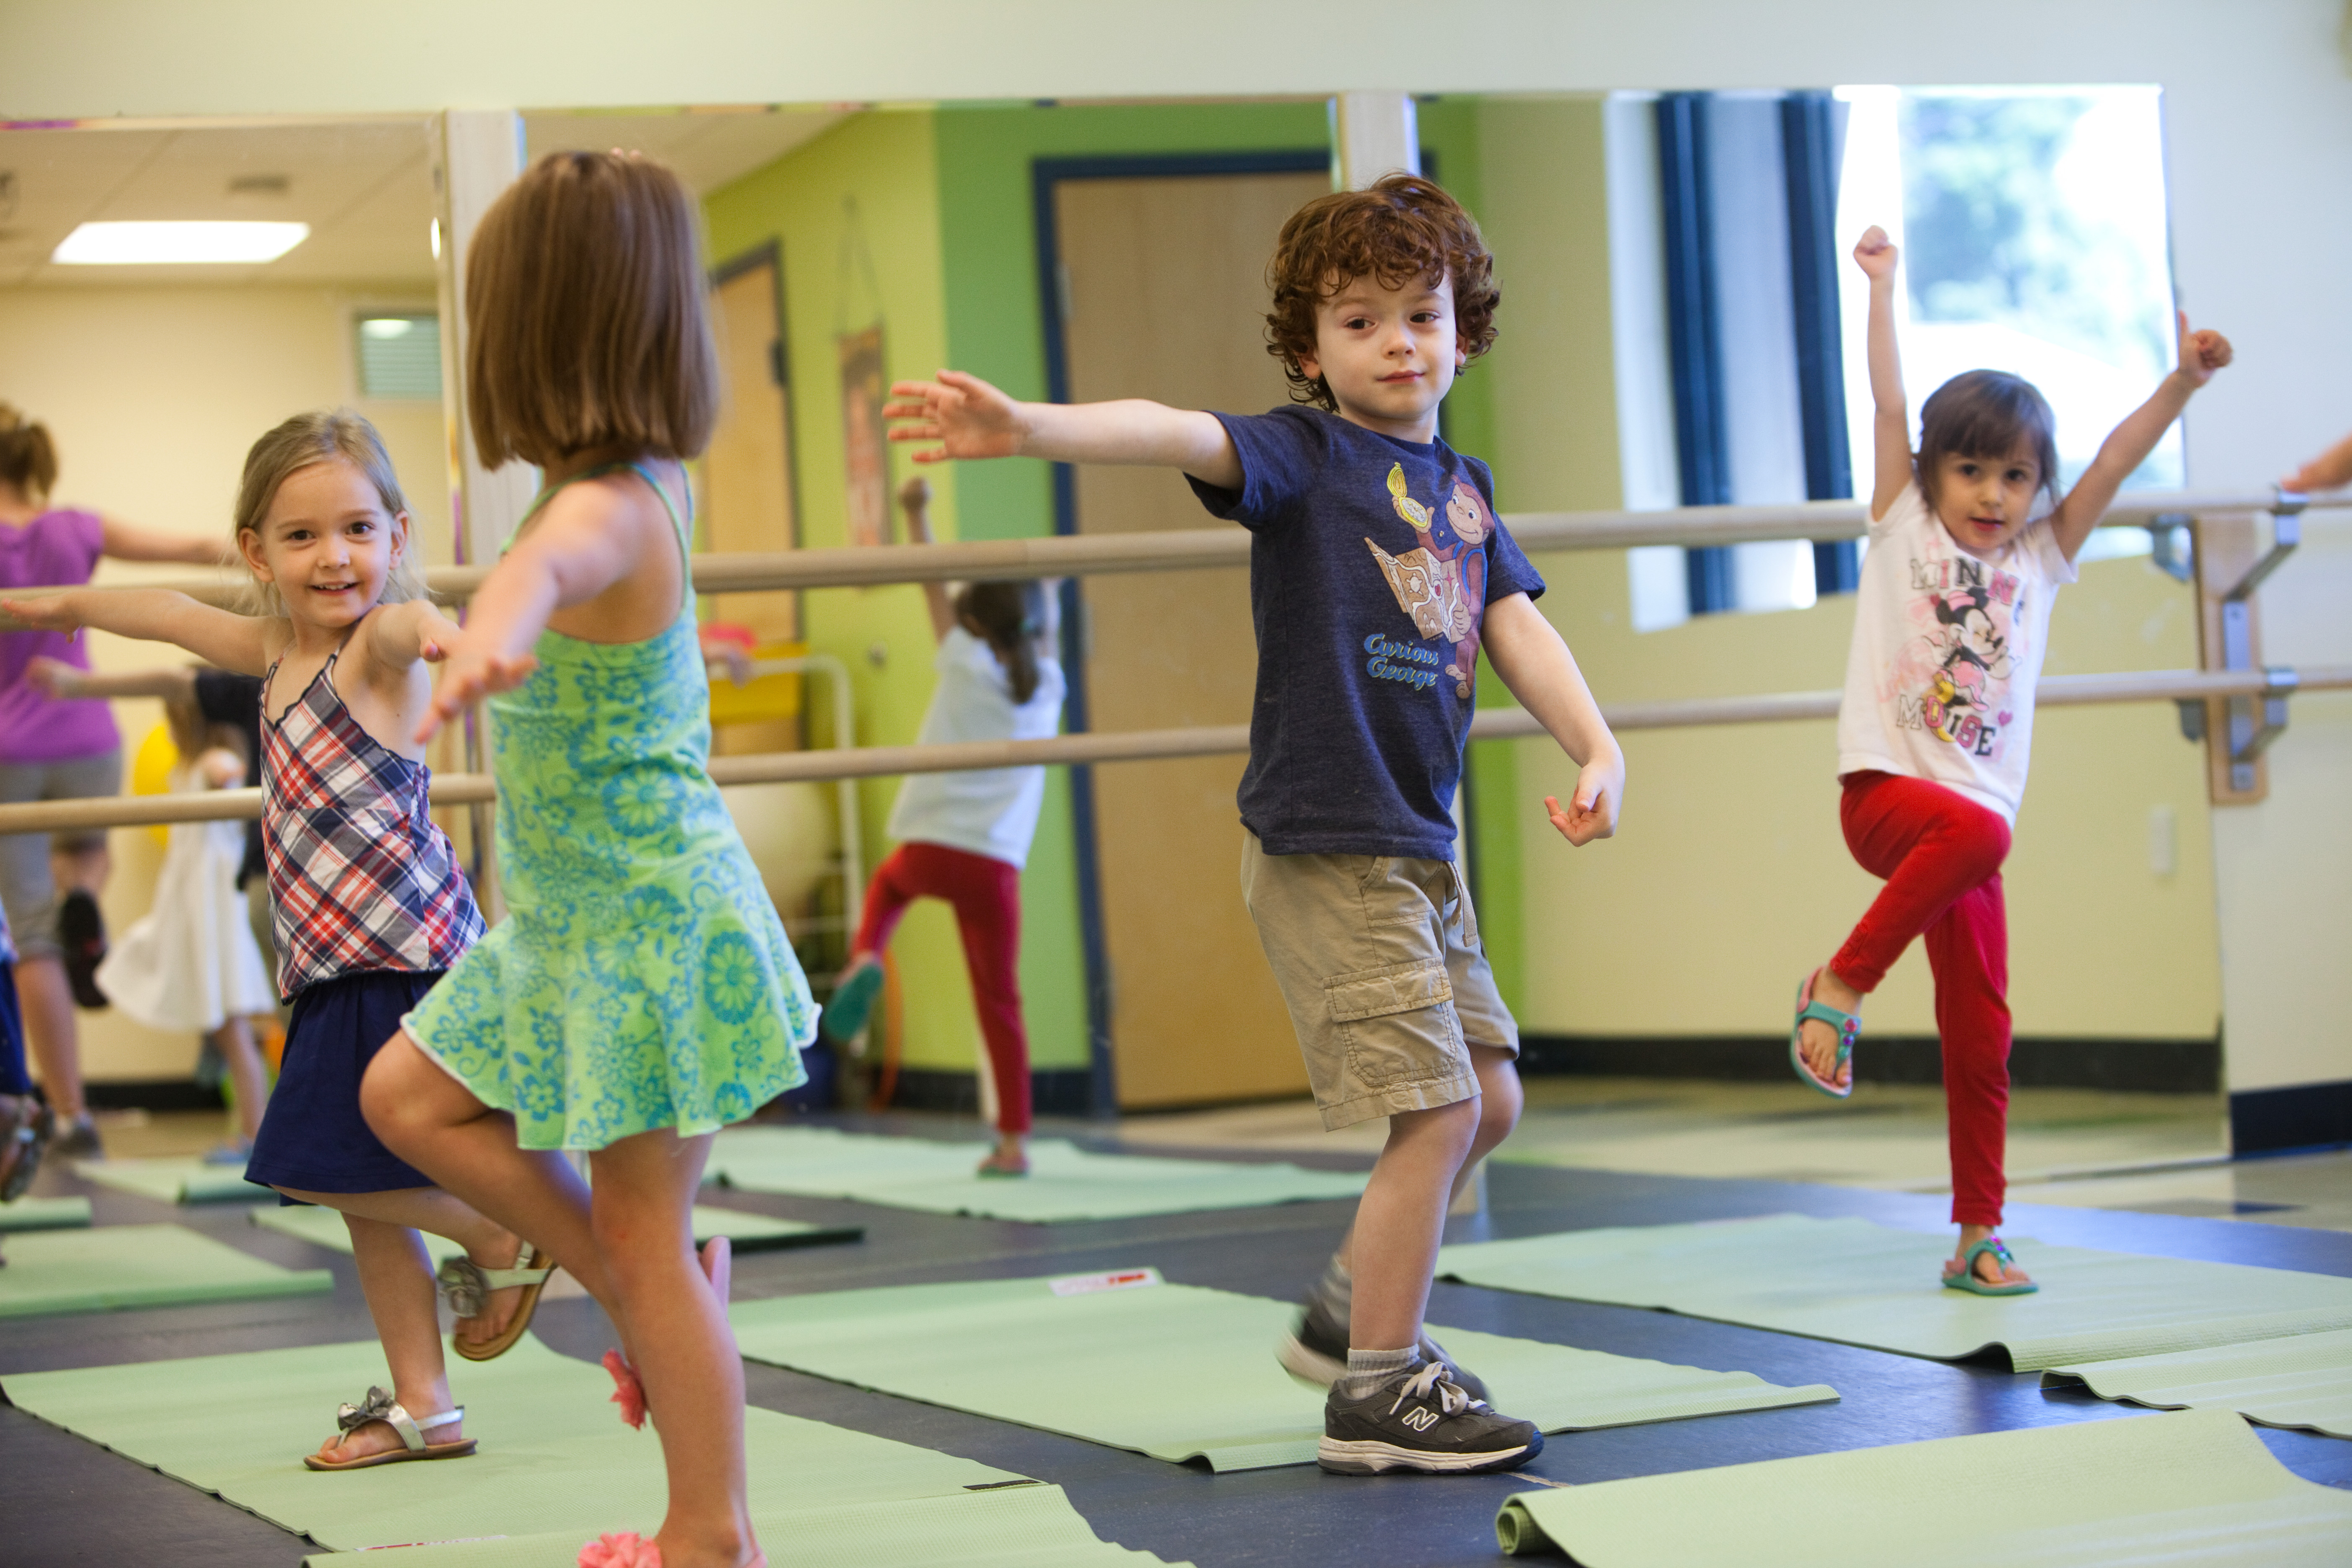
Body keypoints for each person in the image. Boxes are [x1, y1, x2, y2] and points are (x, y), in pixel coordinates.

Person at [885, 173, 1624, 1478]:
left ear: (1464, 329)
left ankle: (1353, 1307)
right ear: (1308, 351)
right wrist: (1028, 428)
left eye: (1422, 314)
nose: (1398, 342)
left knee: (1490, 1098)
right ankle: (1378, 1393)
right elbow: (1174, 430)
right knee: (1437, 1114)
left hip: (1418, 843)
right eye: (1359, 321)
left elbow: (1514, 620)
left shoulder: (1461, 484)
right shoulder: (1307, 455)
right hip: (1327, 845)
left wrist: (1596, 741)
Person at [359, 150, 815, 1568]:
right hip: (575, 917)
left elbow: (546, 573)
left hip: (647, 922)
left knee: (640, 1235)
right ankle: (639, 1279)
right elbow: (537, 586)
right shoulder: (628, 488)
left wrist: (493, 631)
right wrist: (463, 631)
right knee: (405, 1096)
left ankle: (706, 1533)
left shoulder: (598, 510)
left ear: (530, 335)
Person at [2, 409, 549, 1470]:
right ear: (255, 551)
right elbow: (158, 607)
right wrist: (38, 603)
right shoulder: (269, 649)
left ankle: (495, 1229)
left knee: (311, 1159)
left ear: (394, 533)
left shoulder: (379, 648)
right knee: (362, 1196)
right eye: (300, 535)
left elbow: (407, 624)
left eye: (356, 528)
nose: (333, 556)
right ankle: (427, 1404)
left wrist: (438, 629)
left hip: (401, 957)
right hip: (337, 964)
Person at [1791, 226, 2232, 1295]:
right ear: (1933, 473)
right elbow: (1889, 405)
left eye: (2017, 476)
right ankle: (1839, 982)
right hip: (1890, 800)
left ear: (2040, 488)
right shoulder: (1901, 524)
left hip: (1967, 835)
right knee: (1984, 829)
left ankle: (1977, 1230)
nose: (1993, 494)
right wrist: (1883, 288)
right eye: (1972, 470)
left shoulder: (2040, 558)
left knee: (1982, 1022)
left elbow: (2120, 459)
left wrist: (2183, 378)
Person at [820, 477, 1065, 1176]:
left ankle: (868, 953)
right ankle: (1015, 1140)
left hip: (929, 846)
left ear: (975, 627)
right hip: (992, 863)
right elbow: (1042, 623)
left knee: (888, 887)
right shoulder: (1046, 685)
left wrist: (915, 511)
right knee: (999, 995)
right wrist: (1047, 578)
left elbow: (929, 577)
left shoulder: (961, 662)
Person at [0, 402, 225, 1157]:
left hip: (8, 749)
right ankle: (89, 895)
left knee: (31, 934)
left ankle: (70, 1113)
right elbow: (193, 544)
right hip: (86, 731)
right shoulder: (77, 526)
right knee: (84, 854)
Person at [90, 684, 274, 1162]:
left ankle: (255, 1135)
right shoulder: (183, 766)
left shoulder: (213, 759)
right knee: (189, 987)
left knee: (233, 1024)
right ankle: (211, 1045)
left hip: (213, 904)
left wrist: (230, 772)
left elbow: (231, 772)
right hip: (189, 901)